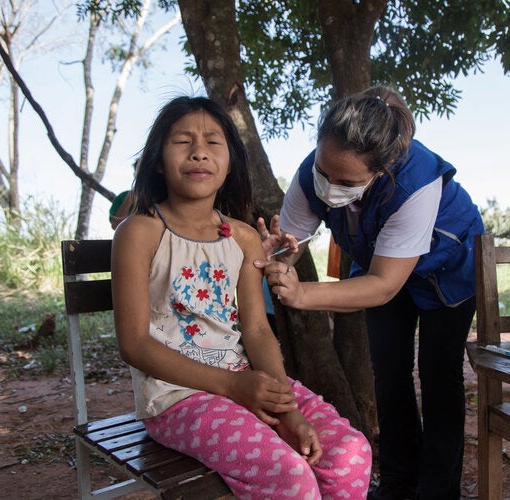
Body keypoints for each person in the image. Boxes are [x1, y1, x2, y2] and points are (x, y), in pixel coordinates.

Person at [111, 95, 371, 499]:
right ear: (159, 160)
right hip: (178, 397)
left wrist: (287, 411)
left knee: (348, 456)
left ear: (230, 159)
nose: (199, 151)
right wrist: (233, 388)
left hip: (251, 383)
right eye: (183, 141)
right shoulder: (139, 232)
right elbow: (135, 344)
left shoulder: (244, 238)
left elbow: (256, 330)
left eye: (213, 142)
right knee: (290, 476)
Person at [255, 86, 485, 500]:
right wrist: (281, 256)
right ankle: (398, 484)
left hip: (447, 269)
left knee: (438, 376)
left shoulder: (416, 181)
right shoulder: (315, 172)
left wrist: (303, 295)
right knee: (390, 373)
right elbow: (293, 240)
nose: (329, 186)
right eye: (325, 172)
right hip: (380, 261)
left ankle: (437, 491)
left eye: (346, 181)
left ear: (384, 168)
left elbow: (384, 285)